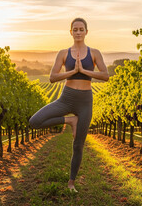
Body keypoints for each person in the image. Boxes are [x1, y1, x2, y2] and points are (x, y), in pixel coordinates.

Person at [29, 18, 109, 192]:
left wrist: (83, 71)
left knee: (78, 144)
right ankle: (69, 120)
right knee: (35, 121)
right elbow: (52, 77)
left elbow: (105, 75)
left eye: (81, 29)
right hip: (66, 98)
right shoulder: (63, 53)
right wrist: (72, 72)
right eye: (75, 29)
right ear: (70, 32)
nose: (78, 32)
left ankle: (71, 182)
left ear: (86, 32)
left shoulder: (94, 52)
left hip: (85, 101)